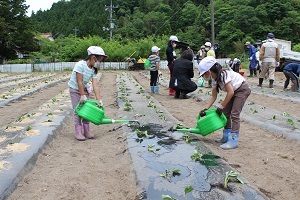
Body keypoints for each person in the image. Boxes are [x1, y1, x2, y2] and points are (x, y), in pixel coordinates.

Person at [198, 56, 251, 149]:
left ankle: (233, 140)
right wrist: (205, 108)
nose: (203, 76)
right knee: (225, 113)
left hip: (242, 89)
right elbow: (213, 96)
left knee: (234, 114)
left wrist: (222, 106)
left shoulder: (223, 75)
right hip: (234, 91)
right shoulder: (215, 80)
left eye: (203, 74)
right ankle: (226, 137)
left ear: (209, 71)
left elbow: (230, 92)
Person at [68, 46, 107, 141]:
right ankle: (78, 131)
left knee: (87, 109)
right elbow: (79, 81)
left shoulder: (93, 69)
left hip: (84, 89)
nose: (100, 62)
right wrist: (82, 95)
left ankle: (86, 130)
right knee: (78, 110)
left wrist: (99, 99)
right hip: (75, 89)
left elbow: (95, 85)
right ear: (93, 57)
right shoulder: (80, 65)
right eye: (100, 60)